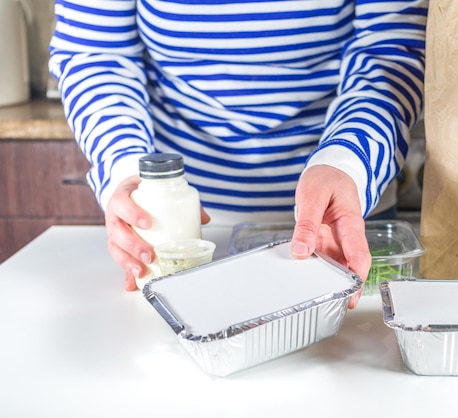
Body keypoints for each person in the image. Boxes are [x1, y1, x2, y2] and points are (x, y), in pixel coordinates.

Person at [49, 0, 428, 307]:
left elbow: (391, 50)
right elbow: (96, 54)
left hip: (341, 221)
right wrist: (130, 173)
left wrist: (347, 161)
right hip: (179, 236)